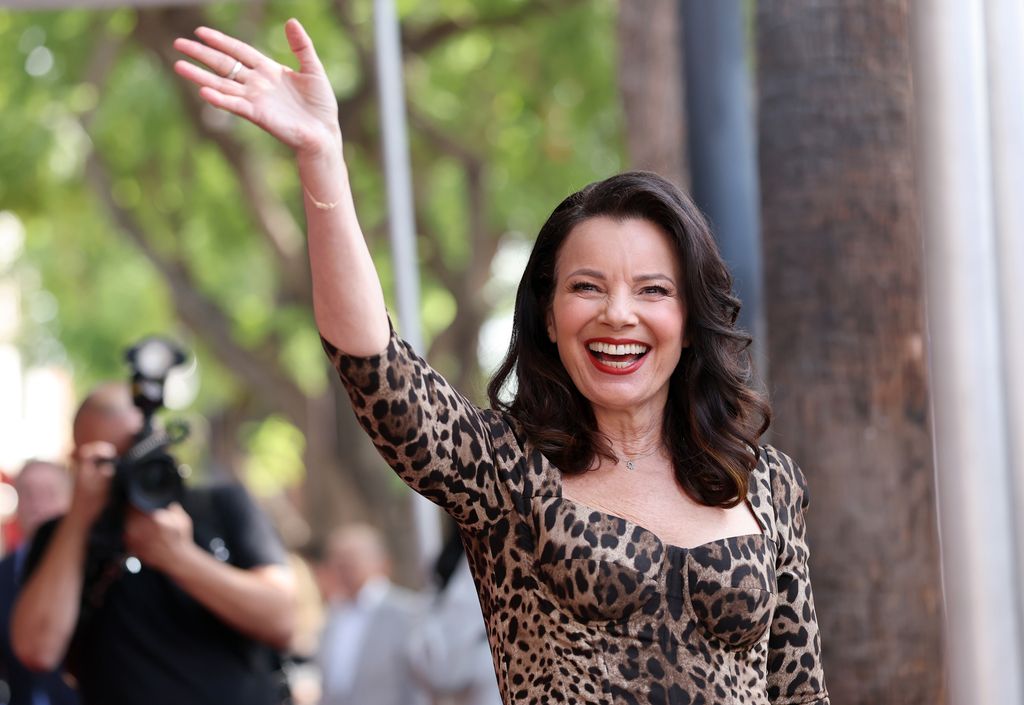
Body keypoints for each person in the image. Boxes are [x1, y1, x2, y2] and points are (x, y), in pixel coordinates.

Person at [173, 20, 829, 704]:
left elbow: (800, 690)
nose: (618, 314)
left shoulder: (767, 482)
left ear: (690, 320)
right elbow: (376, 368)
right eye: (587, 286)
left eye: (653, 290)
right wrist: (322, 158)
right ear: (549, 316)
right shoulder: (505, 467)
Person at [11, 383, 296, 705]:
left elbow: (282, 620)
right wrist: (79, 519)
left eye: (140, 451)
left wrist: (180, 558)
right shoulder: (62, 537)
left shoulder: (221, 506)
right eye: (110, 460)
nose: (129, 470)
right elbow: (37, 651)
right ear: (79, 458)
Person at [317, 524, 427, 705]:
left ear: (380, 562)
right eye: (337, 561)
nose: (343, 568)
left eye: (350, 559)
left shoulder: (408, 612)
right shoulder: (334, 616)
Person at [0, 460, 79, 705]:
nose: (37, 504)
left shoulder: (99, 568)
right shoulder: (4, 572)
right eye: (28, 494)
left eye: (48, 494)